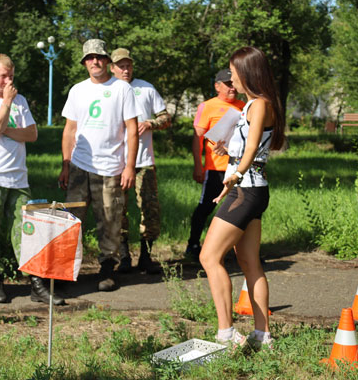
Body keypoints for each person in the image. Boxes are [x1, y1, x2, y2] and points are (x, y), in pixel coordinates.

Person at [199, 46, 285, 350]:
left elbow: (251, 152)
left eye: (233, 70)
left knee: (208, 257)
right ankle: (262, 335)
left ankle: (227, 333)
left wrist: (235, 174)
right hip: (252, 188)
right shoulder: (253, 105)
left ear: (247, 71)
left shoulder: (259, 104)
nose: (230, 76)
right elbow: (249, 146)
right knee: (249, 262)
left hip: (246, 189)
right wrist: (228, 154)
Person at [0, 54, 63, 305]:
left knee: (26, 230)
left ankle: (34, 282)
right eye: (4, 76)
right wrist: (6, 105)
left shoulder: (20, 100)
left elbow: (32, 134)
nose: (9, 81)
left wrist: (6, 129)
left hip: (18, 176)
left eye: (11, 75)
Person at [59, 39, 139, 292]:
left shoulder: (122, 89)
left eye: (100, 57)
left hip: (112, 168)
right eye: (90, 58)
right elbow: (70, 129)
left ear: (107, 61)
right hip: (80, 166)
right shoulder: (77, 90)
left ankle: (107, 268)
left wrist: (129, 167)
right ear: (84, 62)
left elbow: (132, 129)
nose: (95, 62)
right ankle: (66, 270)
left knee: (110, 220)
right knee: (72, 219)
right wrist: (65, 164)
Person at [110, 48, 171, 275]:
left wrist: (151, 123)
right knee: (118, 210)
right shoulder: (108, 89)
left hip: (144, 161)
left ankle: (146, 257)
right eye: (121, 66)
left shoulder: (146, 88)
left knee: (150, 209)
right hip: (116, 161)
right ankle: (124, 258)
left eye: (128, 66)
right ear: (112, 68)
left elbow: (166, 117)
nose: (125, 70)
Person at [185, 69, 245, 259]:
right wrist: (198, 166)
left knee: (241, 209)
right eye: (227, 84)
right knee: (206, 207)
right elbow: (198, 139)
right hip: (215, 169)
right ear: (217, 86)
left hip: (238, 168)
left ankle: (240, 250)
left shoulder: (244, 106)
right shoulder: (207, 106)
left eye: (234, 83)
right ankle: (193, 244)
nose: (232, 87)